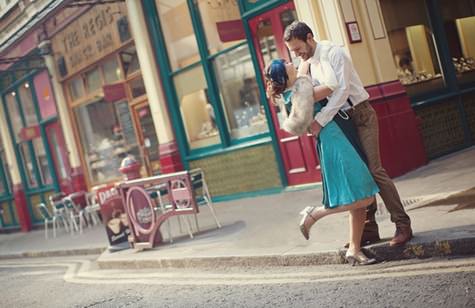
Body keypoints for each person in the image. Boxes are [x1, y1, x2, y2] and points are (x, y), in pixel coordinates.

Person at [283, 21, 413, 247]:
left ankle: (403, 224)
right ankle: (369, 229)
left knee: (374, 170)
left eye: (297, 48)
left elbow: (342, 91)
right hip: (340, 121)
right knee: (358, 176)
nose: (296, 54)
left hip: (360, 115)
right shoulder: (308, 62)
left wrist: (320, 121)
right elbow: (301, 90)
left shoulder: (335, 53)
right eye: (292, 51)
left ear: (309, 37)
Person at [266, 59, 378, 266]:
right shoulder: (297, 93)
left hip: (341, 132)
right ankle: (315, 213)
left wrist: (305, 69)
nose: (290, 60)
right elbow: (330, 87)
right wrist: (310, 64)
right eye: (286, 62)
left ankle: (354, 249)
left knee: (358, 193)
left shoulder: (299, 87)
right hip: (333, 138)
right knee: (366, 197)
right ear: (284, 74)